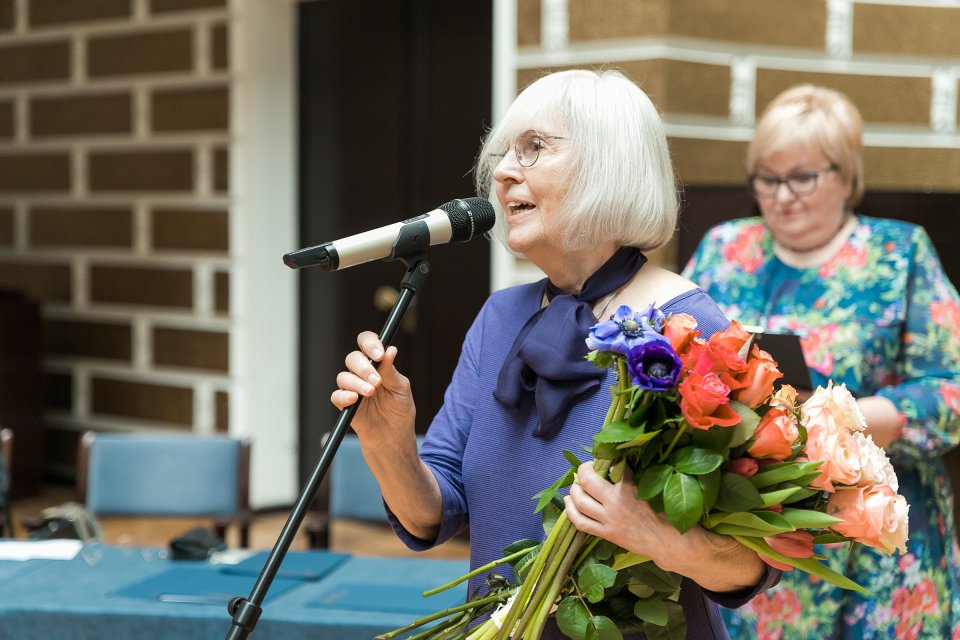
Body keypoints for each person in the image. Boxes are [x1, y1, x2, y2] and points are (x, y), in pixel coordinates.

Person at [331, 69, 780, 639]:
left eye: (534, 149)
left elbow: (758, 561)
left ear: (607, 166)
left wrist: (661, 538)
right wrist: (387, 441)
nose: (501, 172)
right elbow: (432, 514)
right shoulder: (500, 318)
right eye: (505, 153)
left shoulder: (691, 329)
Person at [682, 84, 960, 639]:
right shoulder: (725, 249)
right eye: (768, 178)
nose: (782, 196)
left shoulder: (899, 253)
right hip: (759, 535)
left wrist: (843, 421)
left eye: (802, 177)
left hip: (877, 531)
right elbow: (681, 355)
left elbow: (951, 388)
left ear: (846, 175)